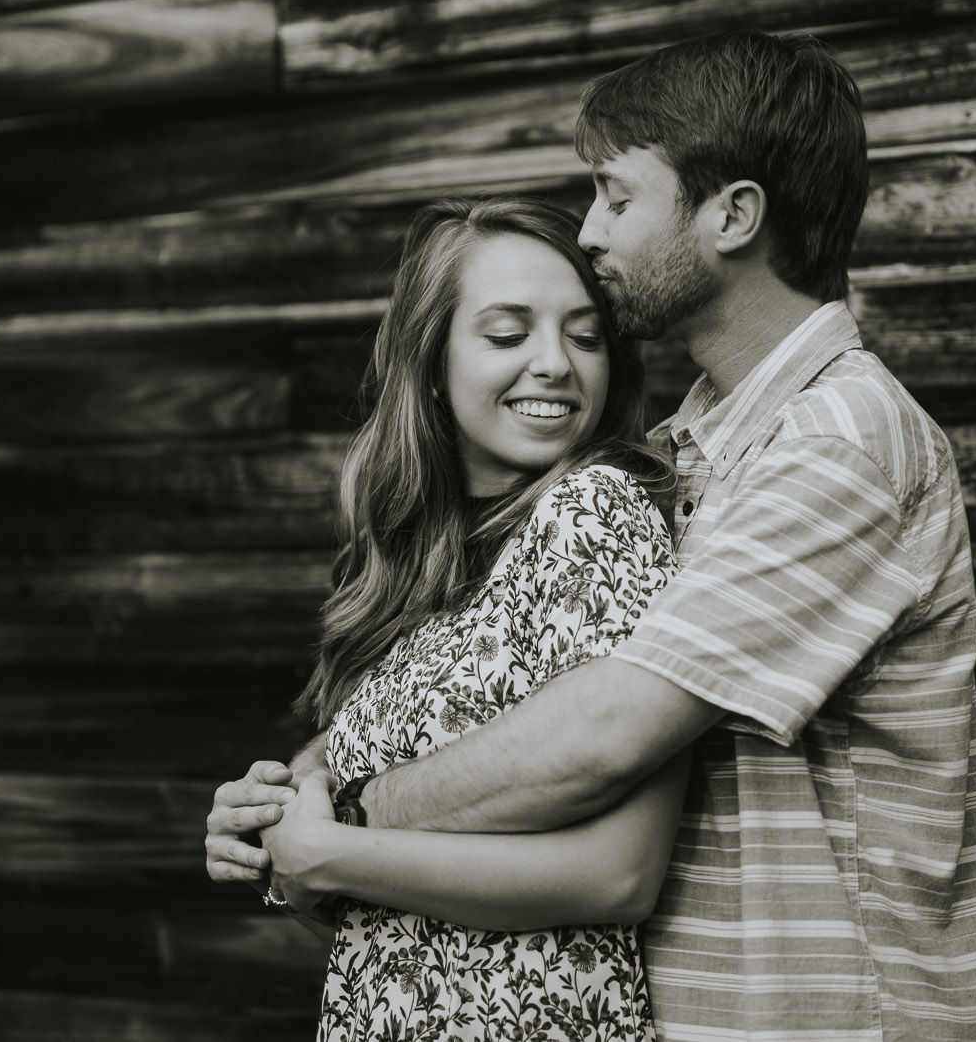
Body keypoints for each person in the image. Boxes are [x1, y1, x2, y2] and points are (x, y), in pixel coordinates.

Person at [211, 30, 976, 1041]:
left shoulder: (840, 439)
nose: (589, 231)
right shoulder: (684, 450)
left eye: (617, 197)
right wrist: (298, 784)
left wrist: (347, 817)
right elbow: (479, 711)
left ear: (732, 215)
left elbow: (606, 731)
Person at [211, 195, 689, 1039]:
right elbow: (390, 921)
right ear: (433, 360)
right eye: (508, 335)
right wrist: (269, 835)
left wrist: (333, 852)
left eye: (585, 336)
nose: (556, 363)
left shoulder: (593, 513)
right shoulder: (406, 563)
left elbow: (617, 877)